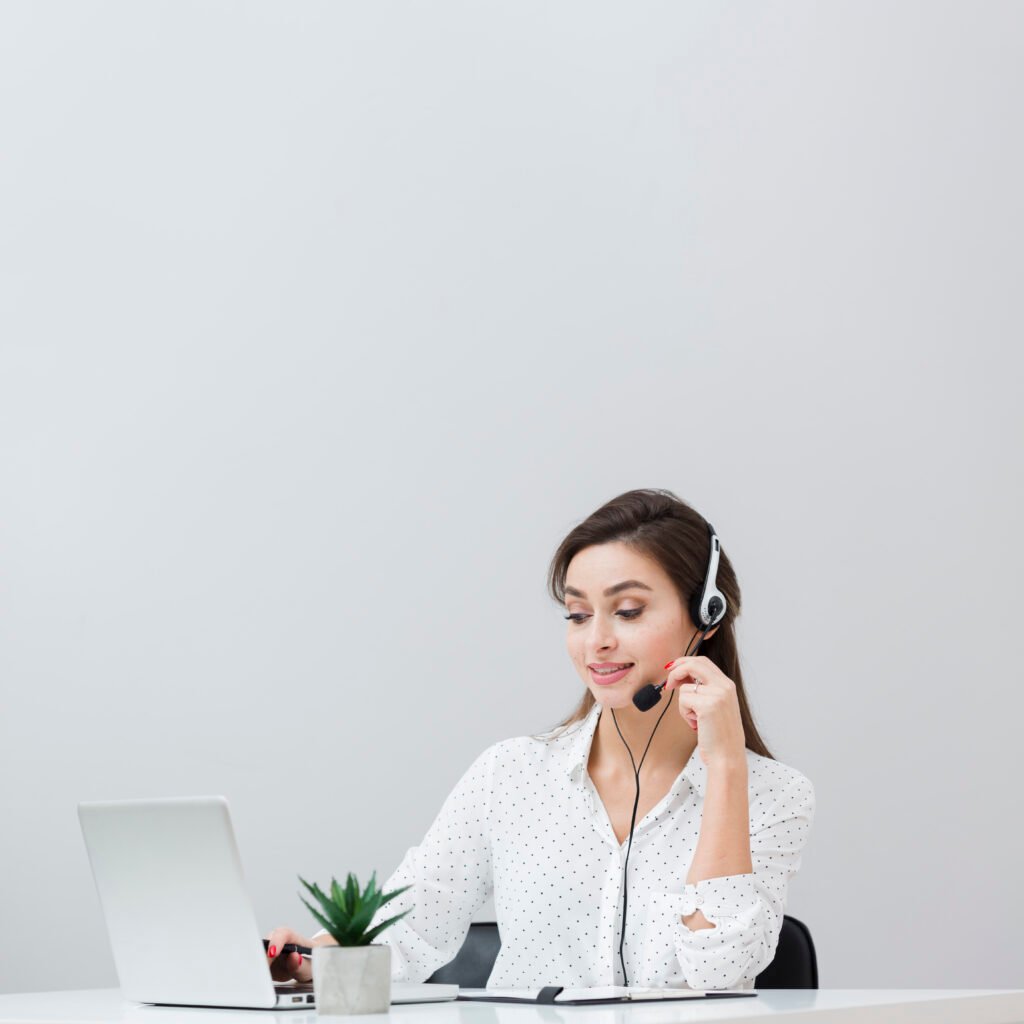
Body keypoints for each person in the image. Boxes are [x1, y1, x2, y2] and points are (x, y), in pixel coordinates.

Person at [265, 488, 815, 991]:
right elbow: (411, 924)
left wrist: (724, 769)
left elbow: (720, 973)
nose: (596, 641)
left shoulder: (773, 794)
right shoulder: (510, 774)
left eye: (628, 611)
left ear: (707, 615)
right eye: (577, 615)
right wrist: (313, 961)